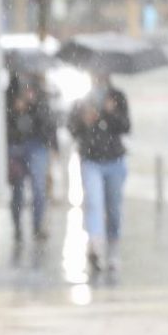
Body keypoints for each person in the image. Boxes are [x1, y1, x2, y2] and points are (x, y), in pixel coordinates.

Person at [68, 72, 130, 273]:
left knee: (113, 208)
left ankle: (113, 249)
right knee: (93, 203)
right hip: (91, 159)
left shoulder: (117, 97)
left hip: (115, 160)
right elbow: (72, 129)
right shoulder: (82, 101)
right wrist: (85, 120)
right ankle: (95, 244)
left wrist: (111, 113)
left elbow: (126, 126)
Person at [5, 72, 57, 245]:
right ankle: (18, 227)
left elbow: (48, 122)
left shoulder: (39, 91)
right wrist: (14, 109)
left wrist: (33, 106)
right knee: (17, 189)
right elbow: (3, 119)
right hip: (16, 145)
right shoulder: (10, 90)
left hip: (37, 144)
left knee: (38, 188)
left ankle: (37, 226)